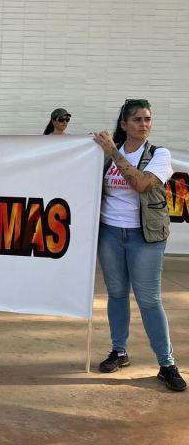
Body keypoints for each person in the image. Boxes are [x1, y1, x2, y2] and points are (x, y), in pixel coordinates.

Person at [93, 99, 185, 391]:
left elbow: (142, 184)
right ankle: (119, 352)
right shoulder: (107, 155)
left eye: (147, 119)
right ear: (124, 124)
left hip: (144, 237)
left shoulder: (160, 154)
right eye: (137, 120)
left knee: (149, 300)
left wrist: (112, 153)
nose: (144, 125)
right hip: (110, 233)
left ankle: (167, 363)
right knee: (117, 294)